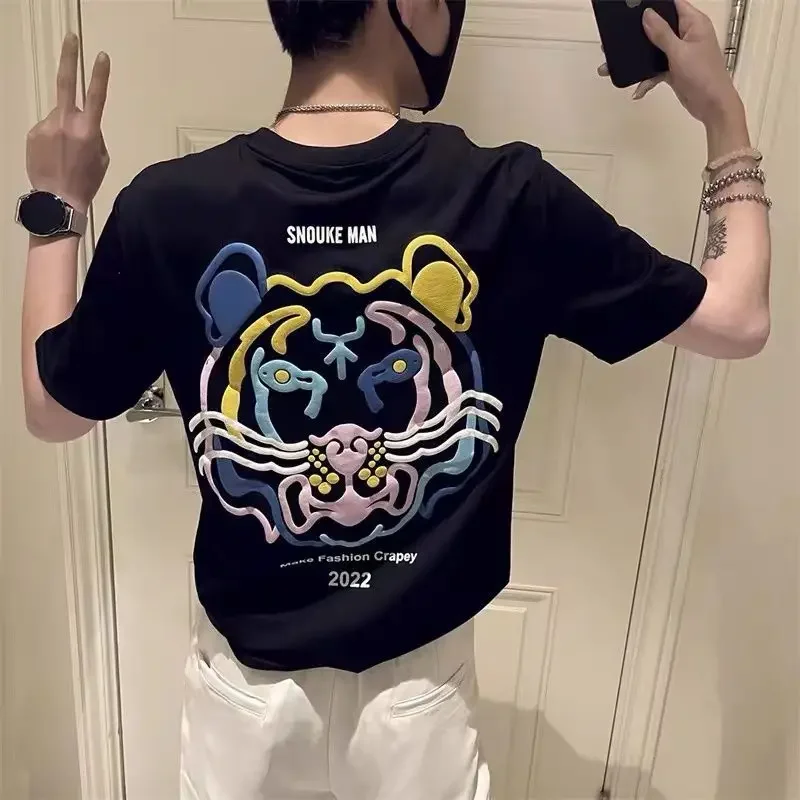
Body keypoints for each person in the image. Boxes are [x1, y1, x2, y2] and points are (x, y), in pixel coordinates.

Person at [18, 0, 771, 797]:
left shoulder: (169, 207)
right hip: (421, 694)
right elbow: (738, 318)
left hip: (242, 696)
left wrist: (56, 205)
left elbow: (50, 409)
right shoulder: (507, 197)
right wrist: (723, 117)